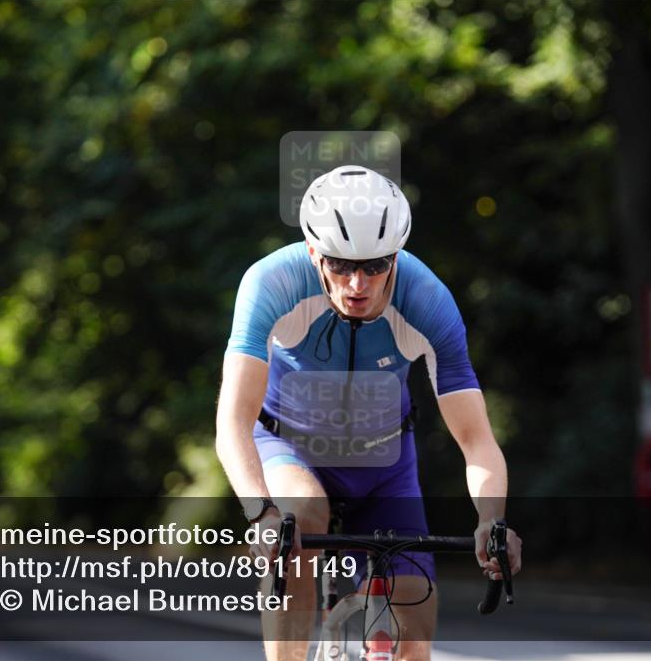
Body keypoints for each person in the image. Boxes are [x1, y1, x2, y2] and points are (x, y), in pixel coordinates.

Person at [216, 165, 523, 661]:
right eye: (339, 264)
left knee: (416, 635)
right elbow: (231, 423)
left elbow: (477, 440)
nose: (358, 283)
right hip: (288, 446)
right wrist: (262, 513)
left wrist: (493, 520)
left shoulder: (426, 299)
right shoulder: (272, 282)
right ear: (314, 252)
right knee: (300, 519)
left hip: (384, 465)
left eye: (376, 265)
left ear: (396, 256)